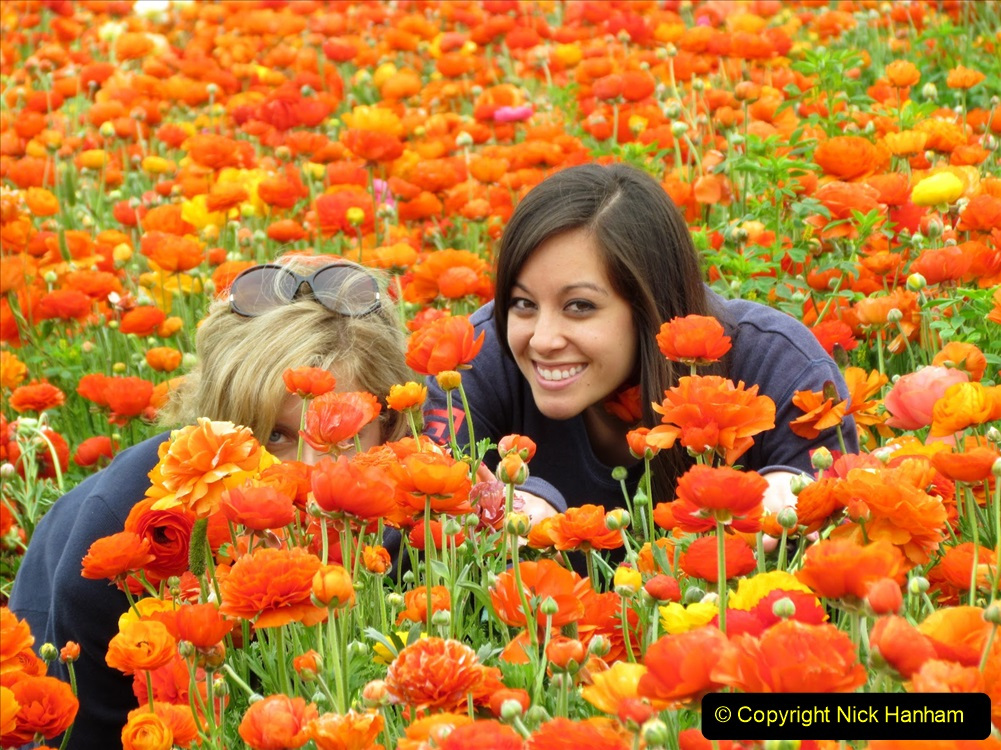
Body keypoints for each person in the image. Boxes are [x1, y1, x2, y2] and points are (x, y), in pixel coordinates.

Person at [9, 255, 412, 749]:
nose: (308, 474)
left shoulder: (409, 515)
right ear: (219, 431)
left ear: (390, 428)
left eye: (341, 436)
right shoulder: (122, 535)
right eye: (275, 435)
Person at [424, 162, 858, 525]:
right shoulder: (471, 362)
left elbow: (839, 523)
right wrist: (525, 506)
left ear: (651, 306)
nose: (542, 339)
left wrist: (791, 496)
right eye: (523, 303)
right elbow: (411, 524)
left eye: (579, 306)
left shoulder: (778, 365)